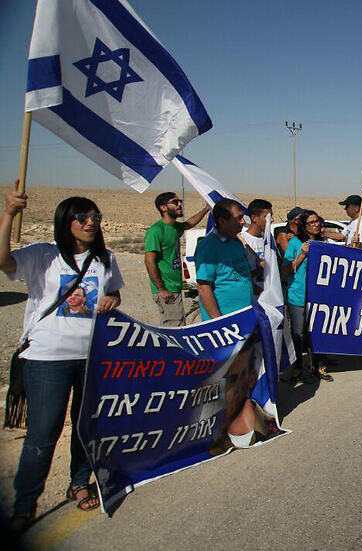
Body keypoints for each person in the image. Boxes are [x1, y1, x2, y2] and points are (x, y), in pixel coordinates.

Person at [1, 186, 124, 534]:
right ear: (65, 222)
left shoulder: (105, 259)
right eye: (83, 218)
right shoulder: (43, 254)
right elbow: (3, 263)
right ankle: (26, 503)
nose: (90, 223)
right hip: (47, 358)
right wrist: (9, 213)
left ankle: (80, 482)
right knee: (43, 433)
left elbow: (113, 291)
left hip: (92, 356)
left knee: (86, 427)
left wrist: (112, 299)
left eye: (95, 218)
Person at [144, 191, 209, 326]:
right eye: (175, 202)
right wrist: (161, 289)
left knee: (178, 325)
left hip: (174, 287)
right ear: (163, 208)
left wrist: (206, 209)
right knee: (175, 329)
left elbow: (189, 223)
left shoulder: (174, 228)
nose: (180, 205)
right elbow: (149, 261)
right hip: (167, 290)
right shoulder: (156, 231)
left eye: (180, 202)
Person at [283, 210, 332, 382]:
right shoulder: (295, 243)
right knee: (298, 334)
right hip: (298, 296)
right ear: (304, 226)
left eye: (317, 221)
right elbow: (286, 269)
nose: (316, 225)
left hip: (319, 297)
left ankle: (318, 366)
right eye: (311, 222)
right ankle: (297, 366)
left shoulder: (324, 243)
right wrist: (302, 255)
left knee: (317, 332)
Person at [195, 199, 257, 321]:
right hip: (226, 323)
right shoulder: (208, 247)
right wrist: (218, 322)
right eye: (239, 218)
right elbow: (204, 287)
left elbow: (243, 275)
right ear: (222, 221)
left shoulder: (236, 242)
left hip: (245, 316)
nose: (243, 222)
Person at [239, 199, 274, 288]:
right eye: (267, 217)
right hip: (253, 297)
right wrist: (261, 270)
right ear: (254, 218)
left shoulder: (269, 238)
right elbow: (239, 275)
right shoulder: (242, 240)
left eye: (271, 216)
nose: (271, 220)